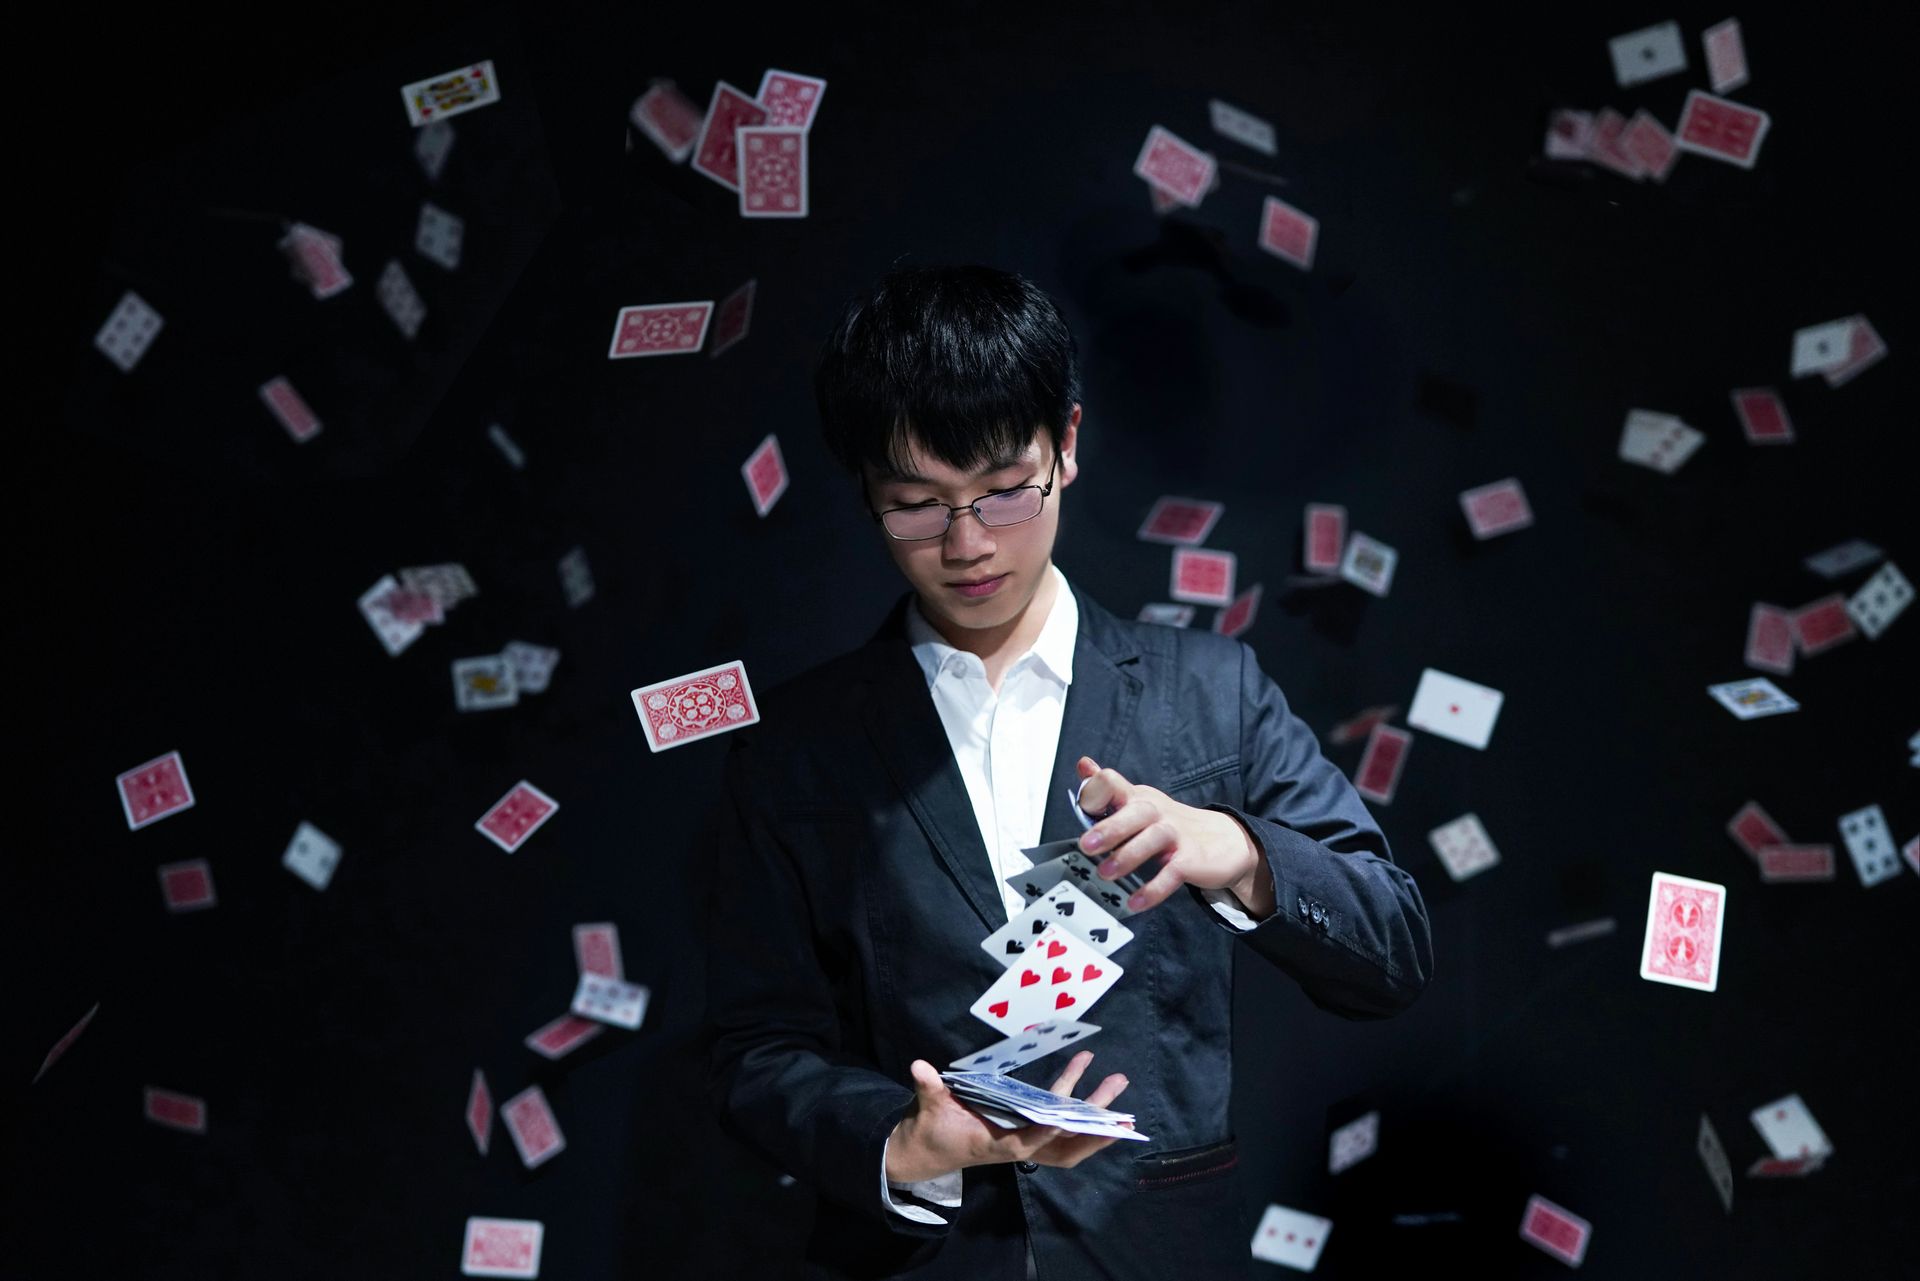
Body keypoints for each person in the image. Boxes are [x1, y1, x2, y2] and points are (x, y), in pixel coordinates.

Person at [704, 264, 1432, 1280]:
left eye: (1004, 491)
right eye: (916, 506)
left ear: (1070, 446)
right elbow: (753, 1049)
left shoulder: (1213, 693)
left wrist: (1245, 856)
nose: (966, 545)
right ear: (866, 491)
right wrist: (903, 1147)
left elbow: (1393, 950)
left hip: (1159, 1251)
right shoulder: (793, 747)